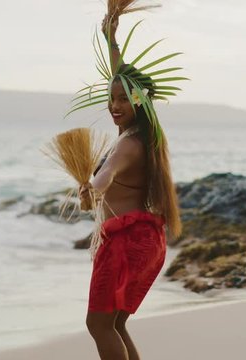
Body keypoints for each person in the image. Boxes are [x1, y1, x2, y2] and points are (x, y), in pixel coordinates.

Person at [78, 14, 183, 360]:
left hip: (125, 244)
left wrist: (92, 189)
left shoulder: (127, 145)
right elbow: (122, 77)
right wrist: (111, 39)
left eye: (123, 99)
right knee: (116, 325)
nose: (115, 106)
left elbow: (107, 172)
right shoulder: (145, 136)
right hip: (147, 241)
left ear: (139, 101)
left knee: (99, 325)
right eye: (112, 98)